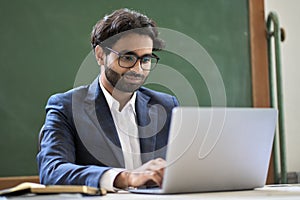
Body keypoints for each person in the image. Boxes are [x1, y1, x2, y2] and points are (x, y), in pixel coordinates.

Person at [37, 8, 179, 192]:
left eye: (145, 59)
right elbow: (52, 170)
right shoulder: (66, 107)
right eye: (127, 58)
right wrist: (125, 177)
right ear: (100, 55)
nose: (137, 69)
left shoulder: (167, 106)